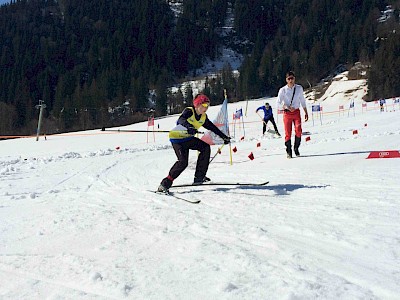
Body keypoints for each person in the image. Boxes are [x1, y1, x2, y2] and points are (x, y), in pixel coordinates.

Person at [158, 94, 231, 192]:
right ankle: (165, 184)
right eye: (204, 105)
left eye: (208, 106)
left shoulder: (203, 117)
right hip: (177, 139)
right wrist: (189, 127)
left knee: (205, 148)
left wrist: (224, 137)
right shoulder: (189, 111)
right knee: (183, 162)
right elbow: (181, 120)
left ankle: (199, 178)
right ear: (197, 105)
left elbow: (212, 127)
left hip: (188, 139)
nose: (206, 108)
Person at [277, 71, 309, 158]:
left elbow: (302, 100)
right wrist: (286, 107)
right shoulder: (282, 90)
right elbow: (278, 103)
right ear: (286, 80)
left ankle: (296, 147)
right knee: (288, 132)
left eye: (292, 78)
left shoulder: (299, 88)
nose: (291, 80)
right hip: (287, 114)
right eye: (289, 79)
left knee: (298, 131)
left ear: (294, 79)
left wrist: (305, 111)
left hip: (296, 112)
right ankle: (288, 151)